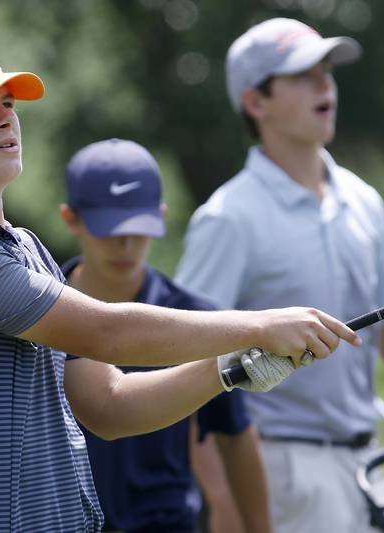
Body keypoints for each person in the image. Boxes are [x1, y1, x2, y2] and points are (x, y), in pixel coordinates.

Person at [0, 38, 361, 533]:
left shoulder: (24, 247)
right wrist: (261, 325)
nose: (5, 117)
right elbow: (107, 332)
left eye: (7, 103)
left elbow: (110, 404)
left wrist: (229, 368)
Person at [175, 18, 384, 533]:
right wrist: (222, 501)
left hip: (369, 466)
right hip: (279, 474)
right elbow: (186, 361)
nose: (325, 87)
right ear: (256, 102)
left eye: (326, 73)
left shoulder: (363, 201)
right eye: (302, 76)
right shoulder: (229, 218)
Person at [58, 138, 272, 533]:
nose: (125, 244)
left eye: (138, 229)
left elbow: (235, 435)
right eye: (109, 230)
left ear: (160, 216)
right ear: (72, 219)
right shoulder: (39, 313)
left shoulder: (197, 319)